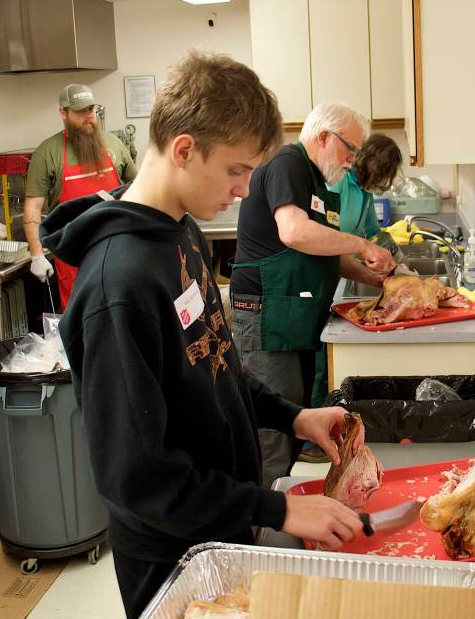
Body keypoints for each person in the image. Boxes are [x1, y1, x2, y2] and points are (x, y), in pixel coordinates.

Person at [39, 52, 365, 619]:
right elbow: (136, 477)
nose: (245, 190)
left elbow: (214, 362)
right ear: (185, 149)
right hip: (173, 558)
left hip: (217, 529)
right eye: (237, 170)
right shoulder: (120, 284)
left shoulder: (179, 230)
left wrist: (291, 415)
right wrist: (277, 509)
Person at [230, 103, 396, 485]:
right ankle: (262, 529)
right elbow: (294, 232)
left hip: (294, 318)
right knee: (272, 434)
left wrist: (377, 279)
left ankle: (280, 514)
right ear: (323, 137)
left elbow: (326, 256)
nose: (353, 160)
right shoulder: (289, 164)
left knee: (293, 423)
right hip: (267, 315)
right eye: (350, 149)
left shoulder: (317, 179)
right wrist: (362, 245)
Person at [300, 133, 404, 463]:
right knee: (317, 365)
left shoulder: (362, 192)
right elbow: (329, 233)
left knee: (321, 360)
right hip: (314, 280)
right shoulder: (339, 184)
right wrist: (361, 251)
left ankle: (324, 433)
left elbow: (371, 231)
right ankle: (309, 442)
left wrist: (393, 256)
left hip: (336, 277)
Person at [24, 83, 138, 307]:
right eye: (80, 111)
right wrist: (37, 255)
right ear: (63, 113)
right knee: (82, 321)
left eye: (91, 110)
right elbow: (33, 208)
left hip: (117, 249)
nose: (88, 117)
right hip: (72, 256)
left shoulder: (114, 144)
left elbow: (138, 189)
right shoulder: (47, 152)